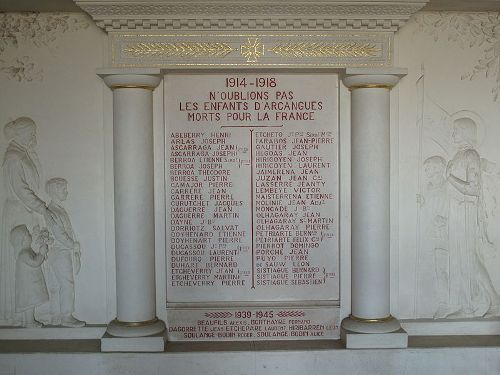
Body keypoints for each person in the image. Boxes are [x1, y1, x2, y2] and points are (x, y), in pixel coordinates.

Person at [0, 117, 57, 326]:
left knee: (31, 266)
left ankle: (32, 315)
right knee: (26, 267)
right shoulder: (14, 157)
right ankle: (25, 317)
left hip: (26, 211)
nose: (34, 137)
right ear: (21, 134)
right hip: (19, 212)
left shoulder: (22, 153)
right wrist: (42, 207)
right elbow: (22, 191)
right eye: (31, 133)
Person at [443, 117, 500, 318]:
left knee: (470, 259)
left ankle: (493, 300)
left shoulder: (471, 155)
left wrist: (449, 177)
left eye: (456, 130)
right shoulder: (456, 157)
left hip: (466, 212)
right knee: (458, 260)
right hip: (455, 212)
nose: (452, 134)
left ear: (467, 132)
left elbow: (473, 188)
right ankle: (463, 304)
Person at [45, 178, 85, 327]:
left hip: (62, 251)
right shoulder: (52, 211)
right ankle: (66, 316)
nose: (66, 192)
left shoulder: (58, 209)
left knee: (59, 284)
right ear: (55, 191)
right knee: (67, 283)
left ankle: (57, 316)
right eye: (64, 189)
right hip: (60, 252)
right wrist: (72, 244)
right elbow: (59, 233)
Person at [11, 225, 49, 327]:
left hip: (31, 283)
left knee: (30, 304)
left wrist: (42, 253)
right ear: (22, 240)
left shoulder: (27, 251)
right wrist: (41, 254)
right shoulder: (23, 254)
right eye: (27, 234)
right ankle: (29, 322)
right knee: (29, 304)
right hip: (28, 286)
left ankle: (28, 321)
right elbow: (35, 263)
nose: (30, 235)